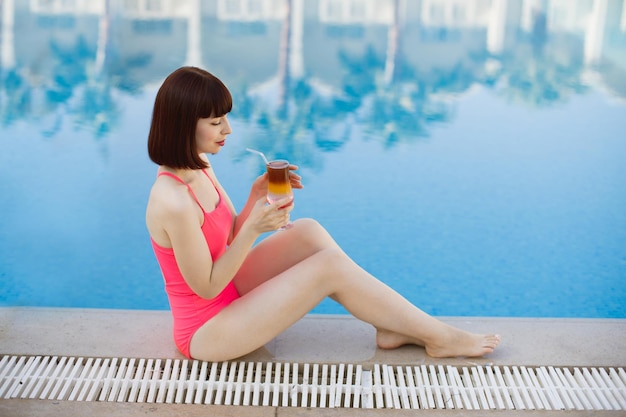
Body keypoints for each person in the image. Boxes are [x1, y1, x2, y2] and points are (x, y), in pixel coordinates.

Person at [146, 66, 501, 362]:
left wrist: (256, 197)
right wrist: (254, 230)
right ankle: (440, 337)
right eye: (216, 122)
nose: (228, 130)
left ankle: (392, 325)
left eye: (225, 119)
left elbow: (223, 240)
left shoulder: (200, 164)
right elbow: (206, 287)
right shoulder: (173, 200)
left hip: (228, 294)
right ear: (183, 125)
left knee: (308, 231)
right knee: (328, 267)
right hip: (206, 331)